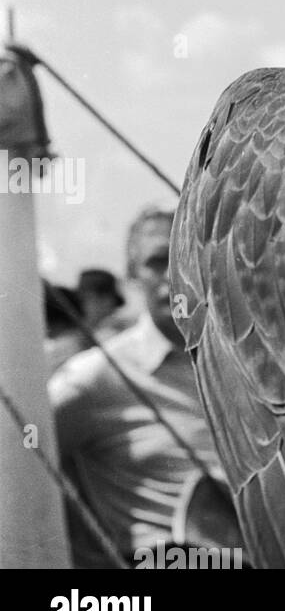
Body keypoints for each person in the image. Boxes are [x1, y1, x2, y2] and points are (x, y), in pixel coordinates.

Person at [48, 206, 232, 567]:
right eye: (157, 261)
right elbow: (15, 460)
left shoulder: (244, 369)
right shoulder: (95, 376)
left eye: (187, 257)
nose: (175, 275)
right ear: (132, 275)